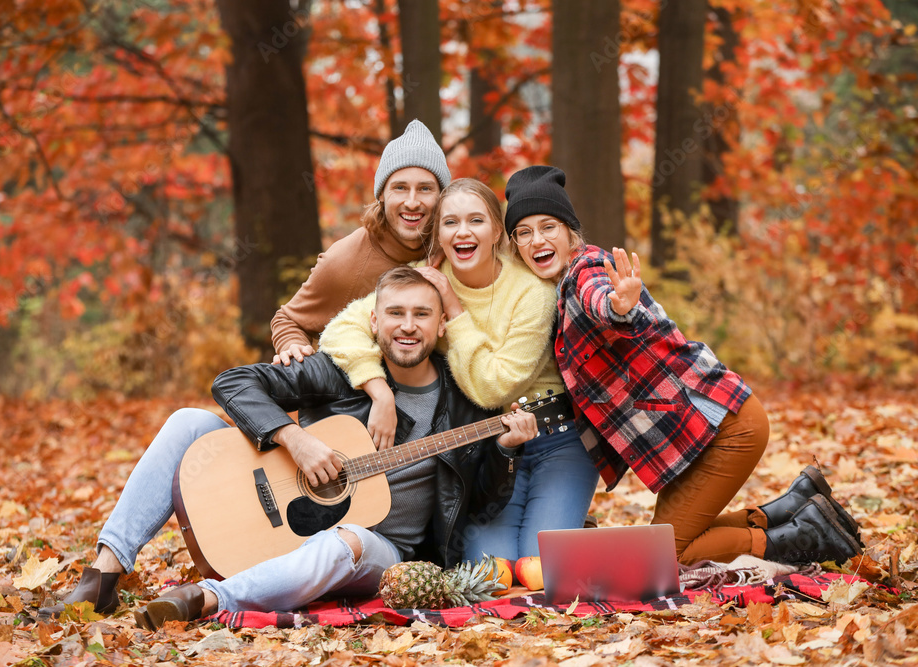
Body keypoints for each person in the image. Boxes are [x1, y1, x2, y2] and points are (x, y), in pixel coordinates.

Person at [38, 268, 536, 628]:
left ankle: (209, 598)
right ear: (374, 322)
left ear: (441, 326)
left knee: (346, 542)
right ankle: (104, 574)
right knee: (188, 421)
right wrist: (295, 440)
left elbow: (485, 503)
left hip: (383, 549)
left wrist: (507, 450)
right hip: (295, 513)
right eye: (396, 314)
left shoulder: (468, 402)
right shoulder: (341, 371)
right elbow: (232, 382)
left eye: (422, 315)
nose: (408, 326)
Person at [503, 165, 864, 565]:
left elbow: (599, 299)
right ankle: (788, 511)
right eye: (524, 231)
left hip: (726, 429)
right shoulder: (552, 292)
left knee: (665, 554)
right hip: (700, 434)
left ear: (571, 232)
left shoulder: (586, 271)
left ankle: (806, 536)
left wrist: (618, 307)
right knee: (671, 538)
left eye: (548, 226)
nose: (537, 239)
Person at [318, 178, 600, 562]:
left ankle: (560, 517)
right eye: (450, 222)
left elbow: (493, 388)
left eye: (476, 221)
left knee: (543, 567)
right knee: (490, 571)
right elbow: (341, 329)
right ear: (438, 233)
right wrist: (378, 389)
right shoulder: (426, 279)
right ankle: (555, 525)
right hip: (490, 453)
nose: (463, 232)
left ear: (497, 230)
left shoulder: (531, 290)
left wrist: (453, 307)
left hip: (555, 437)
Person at [271, 119, 450, 364]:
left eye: (425, 189)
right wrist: (294, 348)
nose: (411, 201)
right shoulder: (346, 262)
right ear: (382, 195)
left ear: (441, 197)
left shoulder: (456, 247)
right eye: (399, 187)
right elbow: (289, 320)